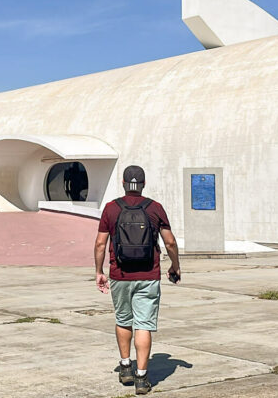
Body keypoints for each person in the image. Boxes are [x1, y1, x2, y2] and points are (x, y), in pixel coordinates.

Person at [94, 165, 180, 395]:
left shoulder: (111, 209)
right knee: (144, 324)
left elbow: (101, 244)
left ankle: (125, 367)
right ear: (143, 184)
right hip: (148, 275)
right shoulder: (155, 208)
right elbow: (170, 242)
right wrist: (175, 265)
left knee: (124, 320)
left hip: (120, 274)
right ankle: (142, 378)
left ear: (123, 183)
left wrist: (98, 271)